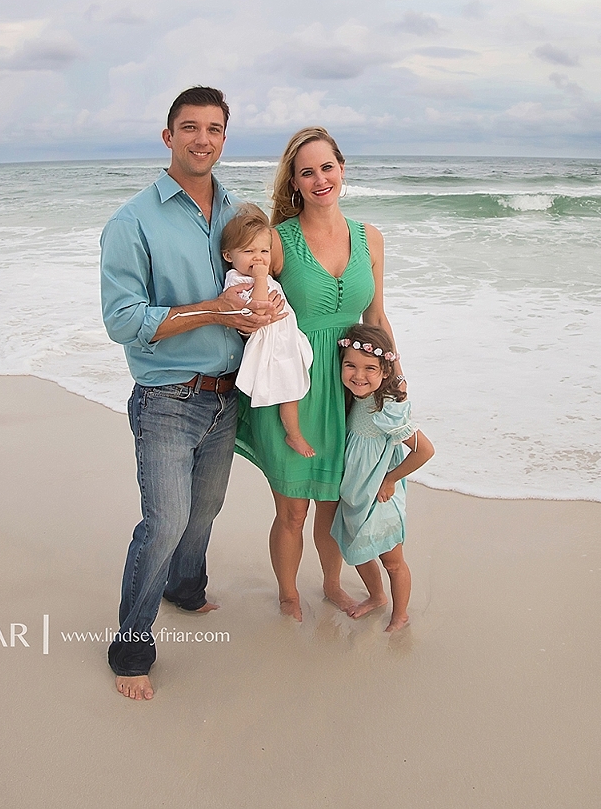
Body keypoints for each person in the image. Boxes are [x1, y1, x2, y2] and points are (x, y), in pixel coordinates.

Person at [99, 86, 280, 702]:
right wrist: (213, 310)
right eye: (189, 127)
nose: (203, 139)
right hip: (166, 398)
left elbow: (259, 277)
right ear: (167, 135)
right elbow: (122, 320)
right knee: (167, 519)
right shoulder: (132, 221)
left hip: (228, 397)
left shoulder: (237, 212)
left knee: (203, 514)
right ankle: (130, 648)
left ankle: (186, 588)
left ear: (225, 137)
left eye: (214, 128)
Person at [236, 126, 399, 622]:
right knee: (293, 510)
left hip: (351, 387)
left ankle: (330, 585)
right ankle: (288, 594)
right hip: (294, 388)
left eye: (327, 167)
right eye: (307, 171)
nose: (320, 178)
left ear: (342, 170)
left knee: (332, 504)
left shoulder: (370, 237)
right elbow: (248, 305)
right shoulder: (278, 241)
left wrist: (394, 382)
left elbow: (376, 318)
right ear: (295, 182)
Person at [330, 323, 434, 632]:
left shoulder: (387, 410)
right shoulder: (353, 399)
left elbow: (424, 451)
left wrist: (390, 479)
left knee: (392, 561)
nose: (358, 375)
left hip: (380, 498)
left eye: (369, 369)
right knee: (357, 551)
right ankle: (377, 597)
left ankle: (400, 614)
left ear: (385, 372)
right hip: (355, 494)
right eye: (350, 365)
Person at [219, 203, 314, 454]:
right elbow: (258, 310)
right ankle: (293, 435)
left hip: (284, 338)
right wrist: (261, 278)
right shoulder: (236, 280)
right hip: (269, 344)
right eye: (248, 251)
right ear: (229, 256)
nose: (258, 258)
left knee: (294, 386)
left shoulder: (257, 275)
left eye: (264, 250)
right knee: (289, 389)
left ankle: (294, 433)